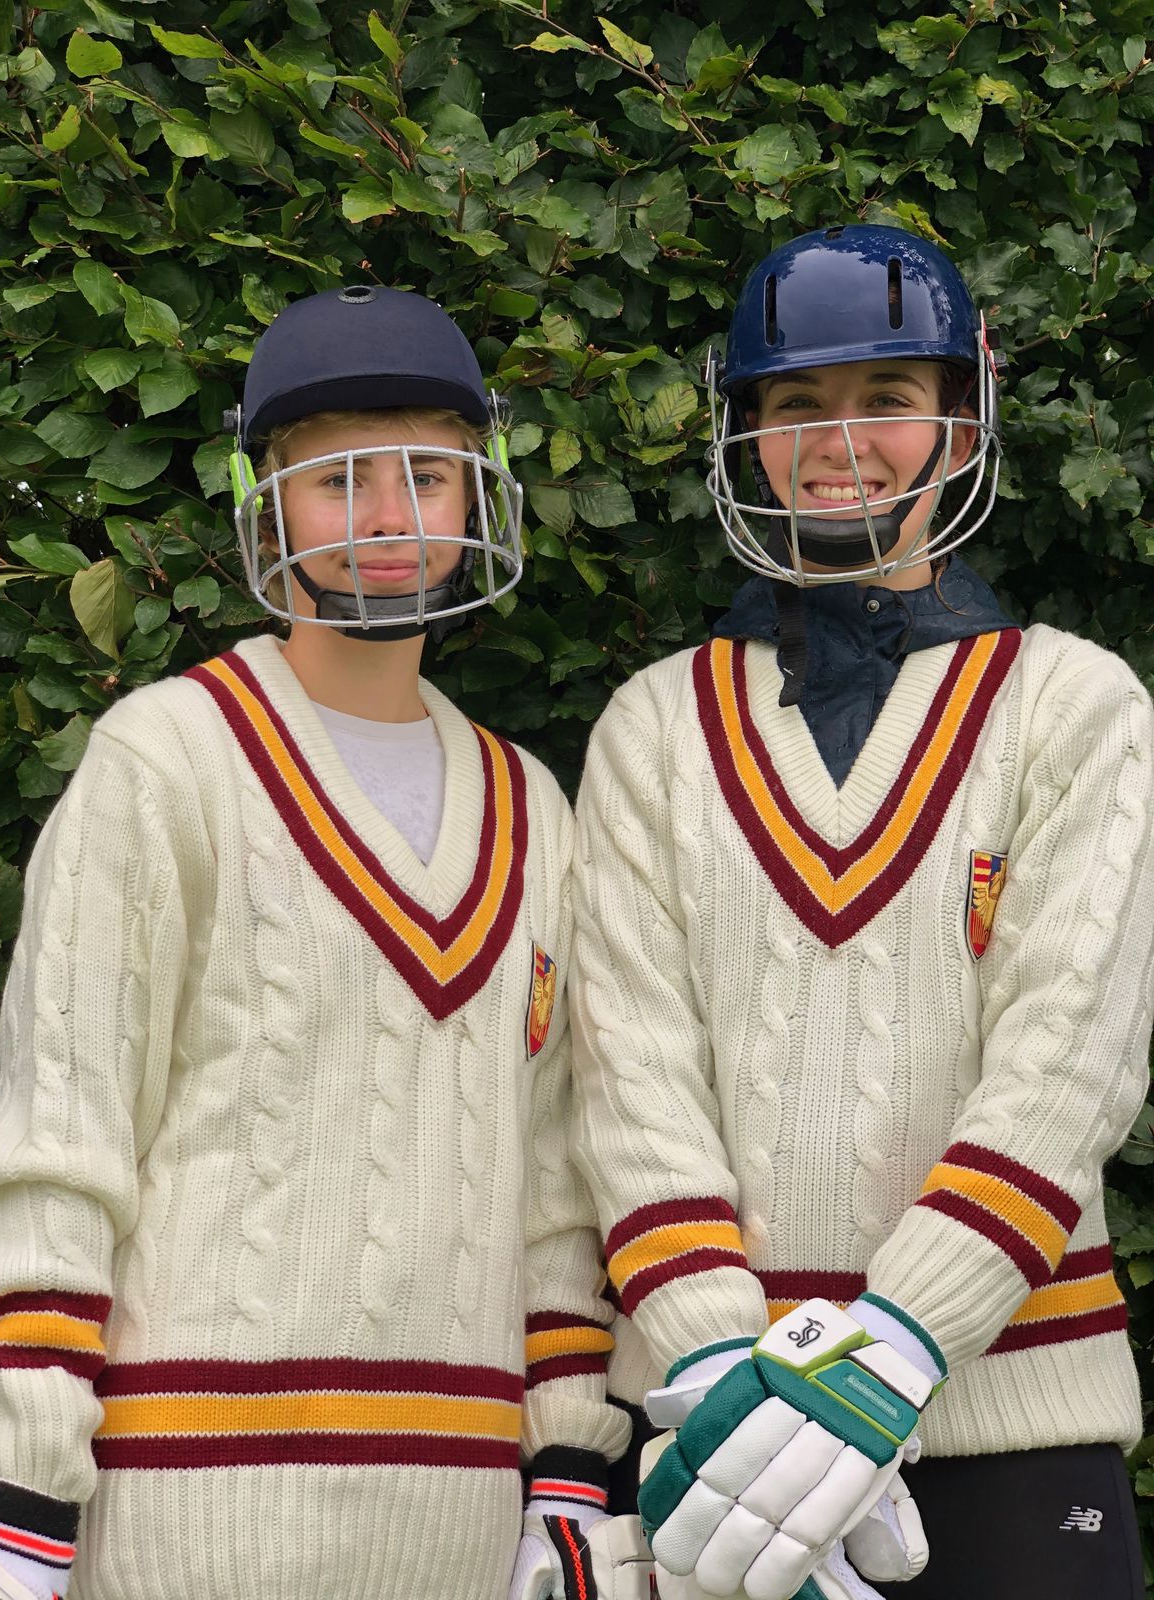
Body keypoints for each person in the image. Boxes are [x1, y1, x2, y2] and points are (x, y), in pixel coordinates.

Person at [0, 284, 630, 1600]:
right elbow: (60, 1147)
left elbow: (557, 1194)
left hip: (458, 1527)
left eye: (427, 472)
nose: (386, 516)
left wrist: (566, 1475)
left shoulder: (534, 808)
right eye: (337, 480)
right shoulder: (166, 761)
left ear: (475, 495)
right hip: (179, 1514)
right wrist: (17, 1492)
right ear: (267, 502)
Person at [570, 225, 1153, 1600]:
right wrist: (728, 1378)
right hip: (716, 1440)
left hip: (1014, 1427)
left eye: (887, 400)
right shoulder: (654, 727)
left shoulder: (1074, 704)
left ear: (958, 423)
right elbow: (626, 1083)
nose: (845, 440)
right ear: (747, 436)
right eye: (797, 407)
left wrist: (889, 1352)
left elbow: (1069, 1067)